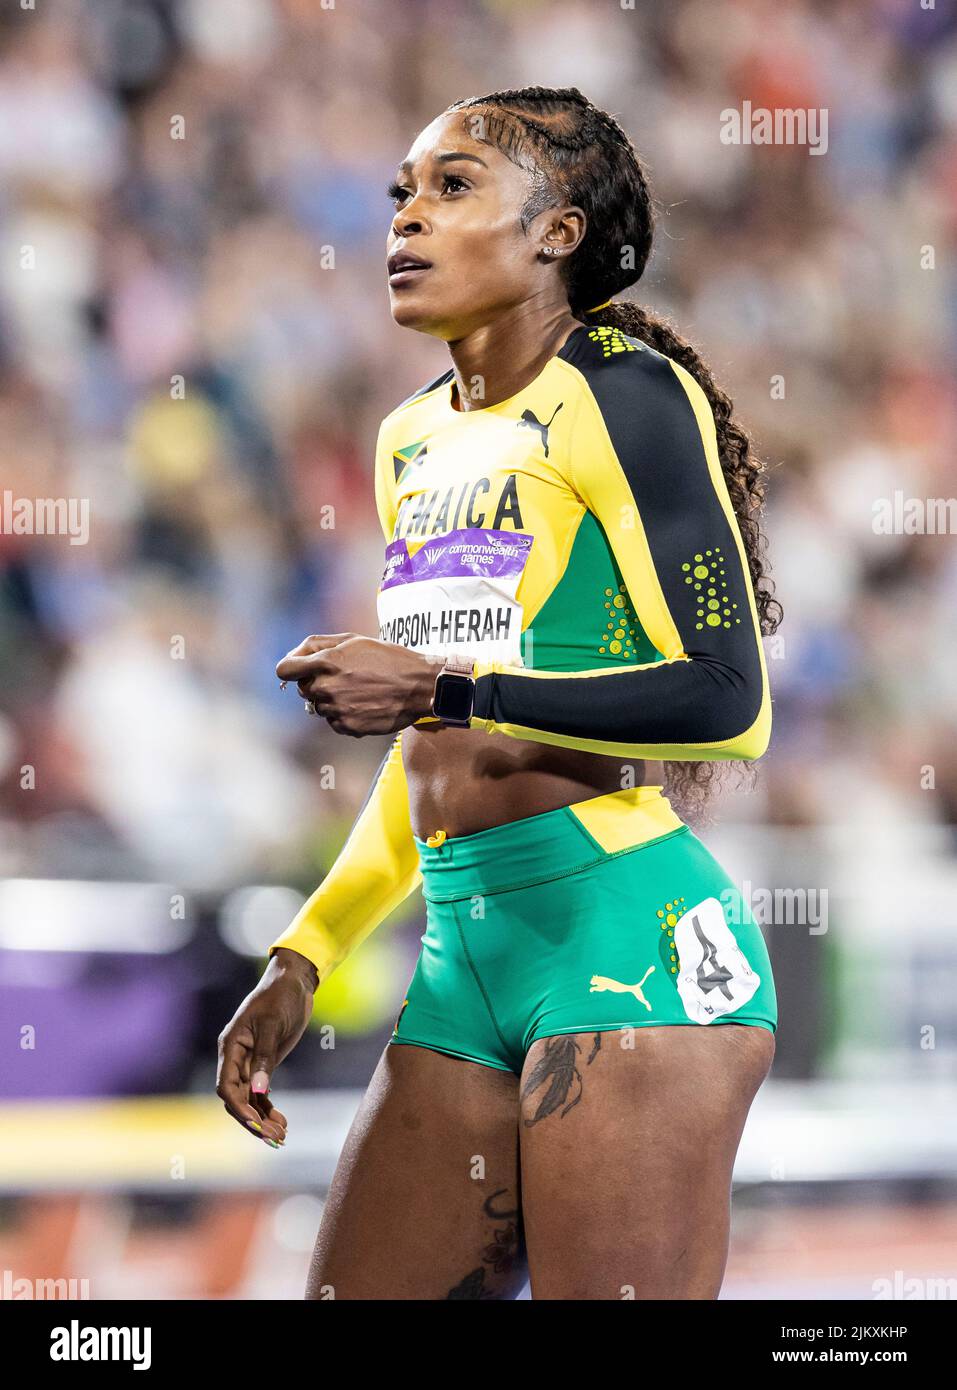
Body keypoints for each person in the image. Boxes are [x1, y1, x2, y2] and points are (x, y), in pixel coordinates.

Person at [217, 85, 781, 1300]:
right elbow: (433, 749)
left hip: (624, 940)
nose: (407, 217)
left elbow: (729, 700)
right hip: (464, 955)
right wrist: (306, 955)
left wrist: (444, 686)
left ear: (556, 234)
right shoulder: (409, 438)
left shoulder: (622, 392)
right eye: (401, 193)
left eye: (453, 185)